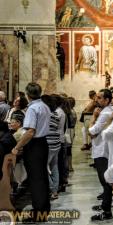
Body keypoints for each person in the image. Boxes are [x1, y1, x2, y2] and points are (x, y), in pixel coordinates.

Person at [11, 82, 51, 222]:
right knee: (42, 177)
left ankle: (38, 212)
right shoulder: (44, 106)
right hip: (43, 143)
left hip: (34, 145)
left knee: (35, 179)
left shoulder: (33, 108)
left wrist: (17, 147)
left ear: (28, 95)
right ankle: (44, 208)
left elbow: (30, 131)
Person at [88, 89, 113, 221]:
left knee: (105, 182)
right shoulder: (105, 112)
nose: (96, 100)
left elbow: (92, 132)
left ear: (107, 100)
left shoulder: (105, 114)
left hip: (102, 150)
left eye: (99, 97)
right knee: (105, 181)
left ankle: (107, 210)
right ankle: (105, 204)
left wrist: (93, 118)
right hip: (101, 149)